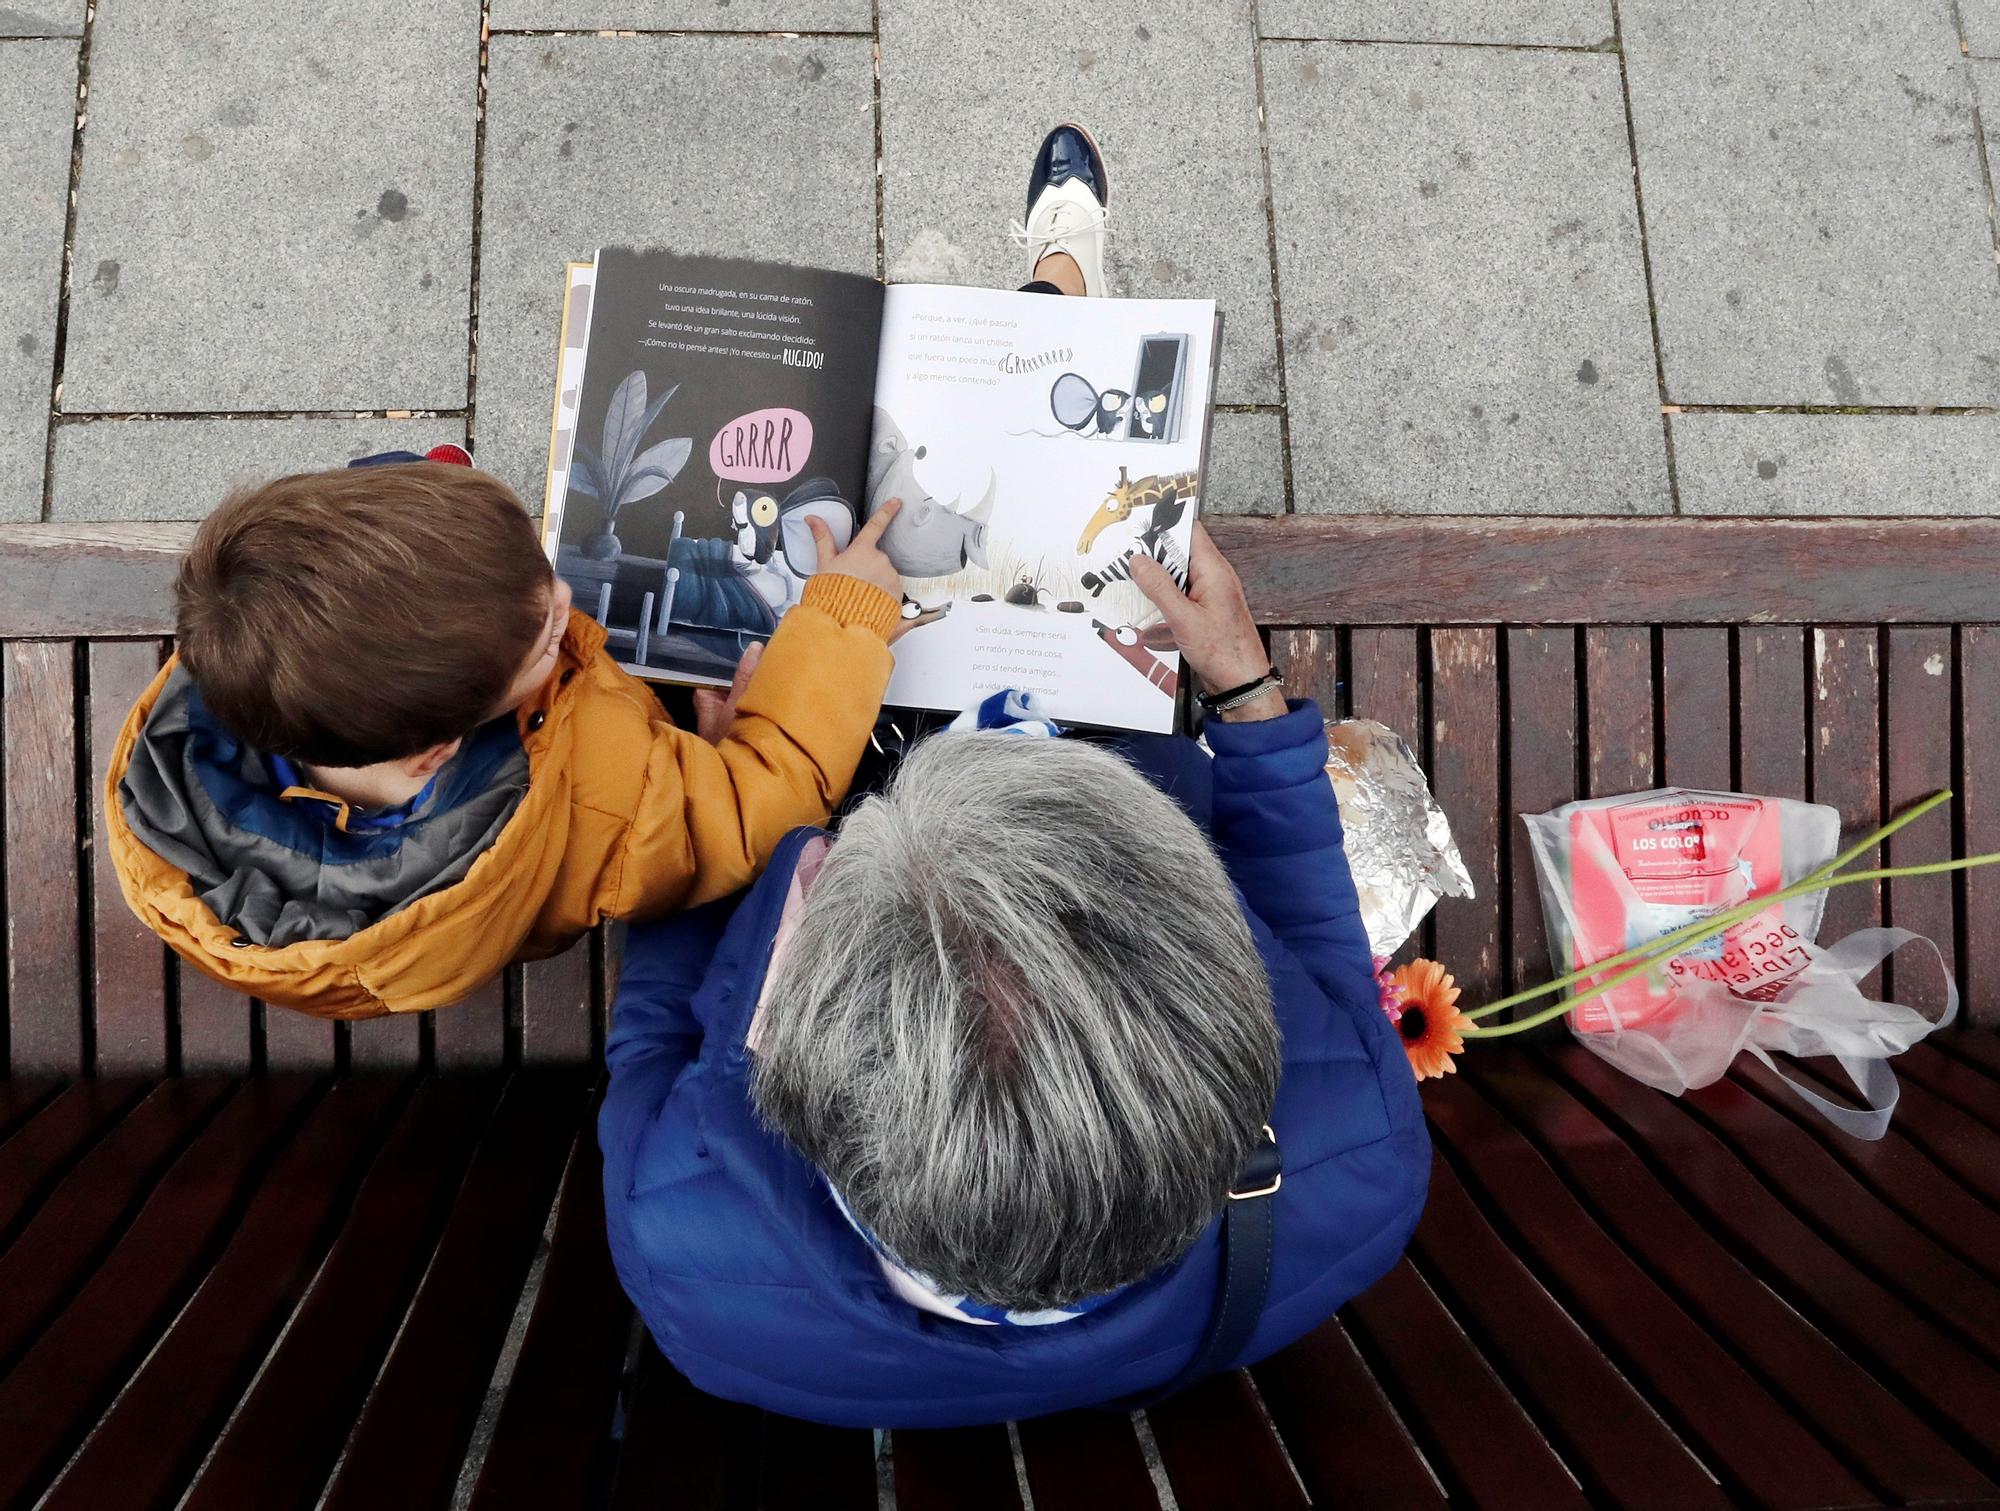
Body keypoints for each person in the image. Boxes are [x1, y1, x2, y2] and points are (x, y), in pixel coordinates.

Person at [598, 126, 1430, 1424]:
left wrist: (733, 787)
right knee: (1048, 485)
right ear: (1224, 1009)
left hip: (792, 769)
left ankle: (1009, 301)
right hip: (1086, 705)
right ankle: (1052, 285)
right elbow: (1321, 939)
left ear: (801, 1074)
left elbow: (658, 1029)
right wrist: (1245, 698)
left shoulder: (686, 1247)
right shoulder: (1364, 1161)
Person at [103, 454, 907, 1019]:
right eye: (546, 632)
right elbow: (753, 812)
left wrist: (435, 493)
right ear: (436, 751)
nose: (562, 592)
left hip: (410, 931)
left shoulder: (259, 661)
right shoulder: (608, 806)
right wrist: (841, 619)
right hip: (537, 865)